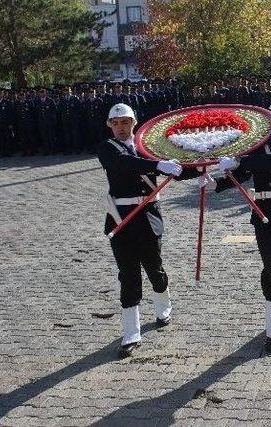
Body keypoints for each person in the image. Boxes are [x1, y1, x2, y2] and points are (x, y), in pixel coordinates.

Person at [199, 90, 271, 353]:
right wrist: (217, 182)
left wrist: (241, 159)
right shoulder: (258, 142)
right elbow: (244, 173)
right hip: (262, 210)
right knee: (270, 268)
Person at [97, 103, 198, 358]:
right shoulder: (108, 148)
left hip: (148, 218)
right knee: (128, 274)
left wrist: (202, 169)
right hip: (121, 219)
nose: (121, 127)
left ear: (134, 122)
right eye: (116, 123)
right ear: (109, 125)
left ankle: (163, 304)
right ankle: (131, 332)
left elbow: (174, 168)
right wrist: (158, 165)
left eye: (125, 122)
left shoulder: (148, 147)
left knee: (154, 267)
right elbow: (124, 164)